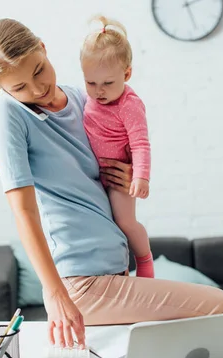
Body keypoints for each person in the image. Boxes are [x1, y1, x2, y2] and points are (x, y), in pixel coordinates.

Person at [0, 18, 223, 350]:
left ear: (43, 47)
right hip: (80, 281)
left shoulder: (83, 99)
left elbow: (110, 178)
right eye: (20, 87)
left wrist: (125, 178)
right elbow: (24, 213)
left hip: (113, 269)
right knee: (220, 306)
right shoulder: (7, 112)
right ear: (4, 89)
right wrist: (55, 294)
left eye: (39, 71)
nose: (37, 89)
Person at [80, 16, 154, 278]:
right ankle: (118, 270)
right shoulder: (86, 99)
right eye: (91, 83)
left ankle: (144, 261)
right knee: (106, 227)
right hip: (94, 176)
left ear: (127, 74)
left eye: (108, 83)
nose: (99, 91)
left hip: (118, 179)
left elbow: (141, 143)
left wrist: (141, 176)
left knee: (124, 222)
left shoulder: (128, 105)